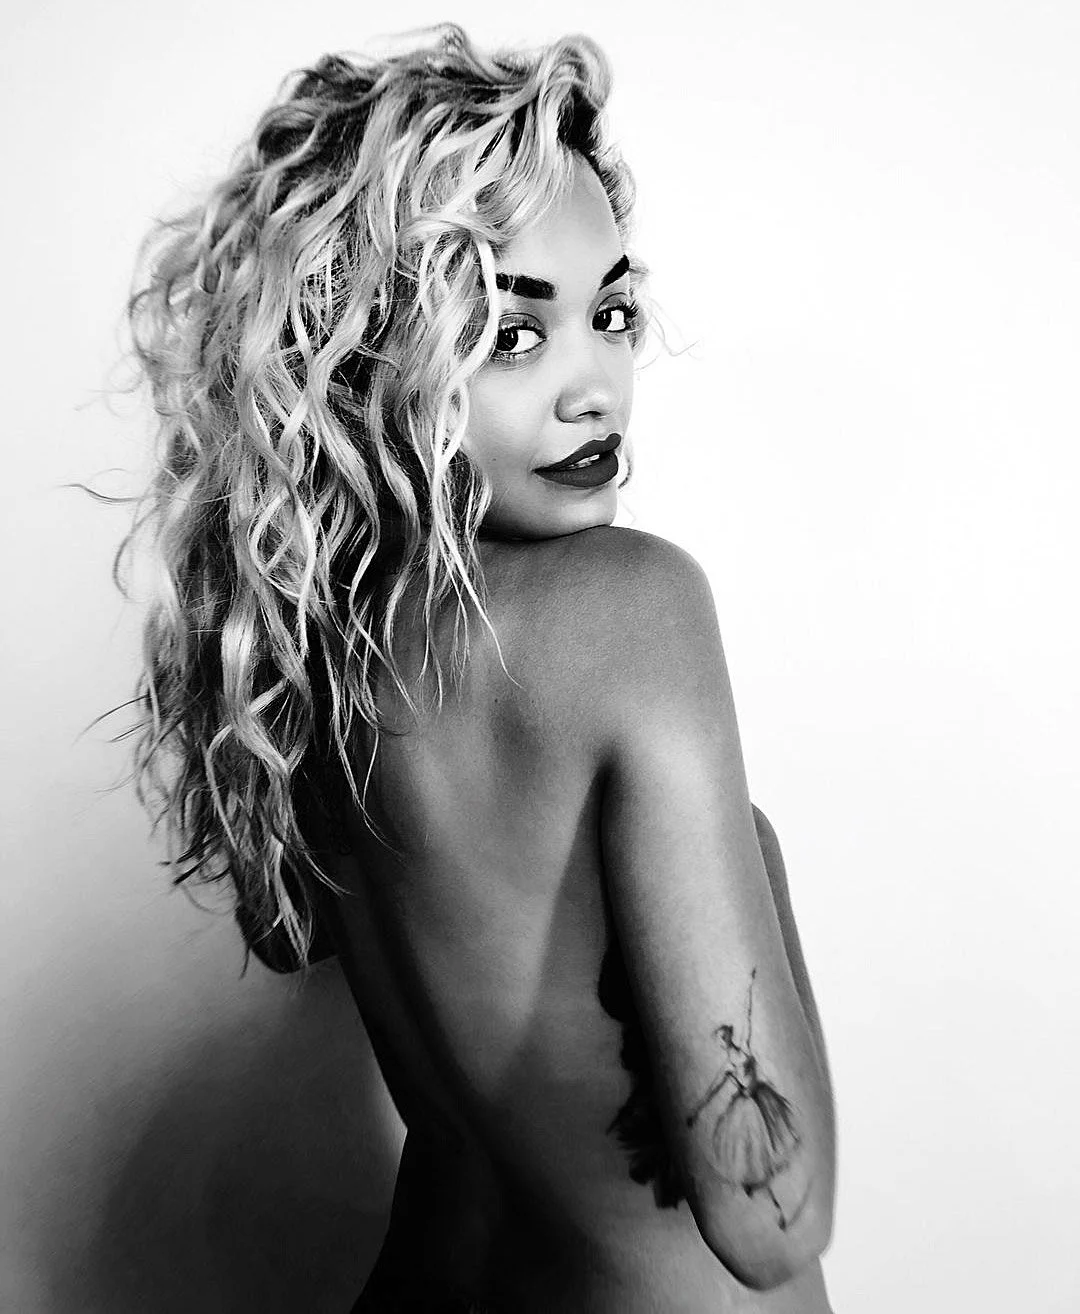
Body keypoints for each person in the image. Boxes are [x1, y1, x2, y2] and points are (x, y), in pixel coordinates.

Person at [124, 24, 837, 1312]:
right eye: (512, 336)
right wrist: (757, 859)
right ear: (364, 360)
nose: (594, 388)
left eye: (608, 314)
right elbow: (771, 1219)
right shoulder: (634, 608)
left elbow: (309, 956)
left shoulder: (309, 666)